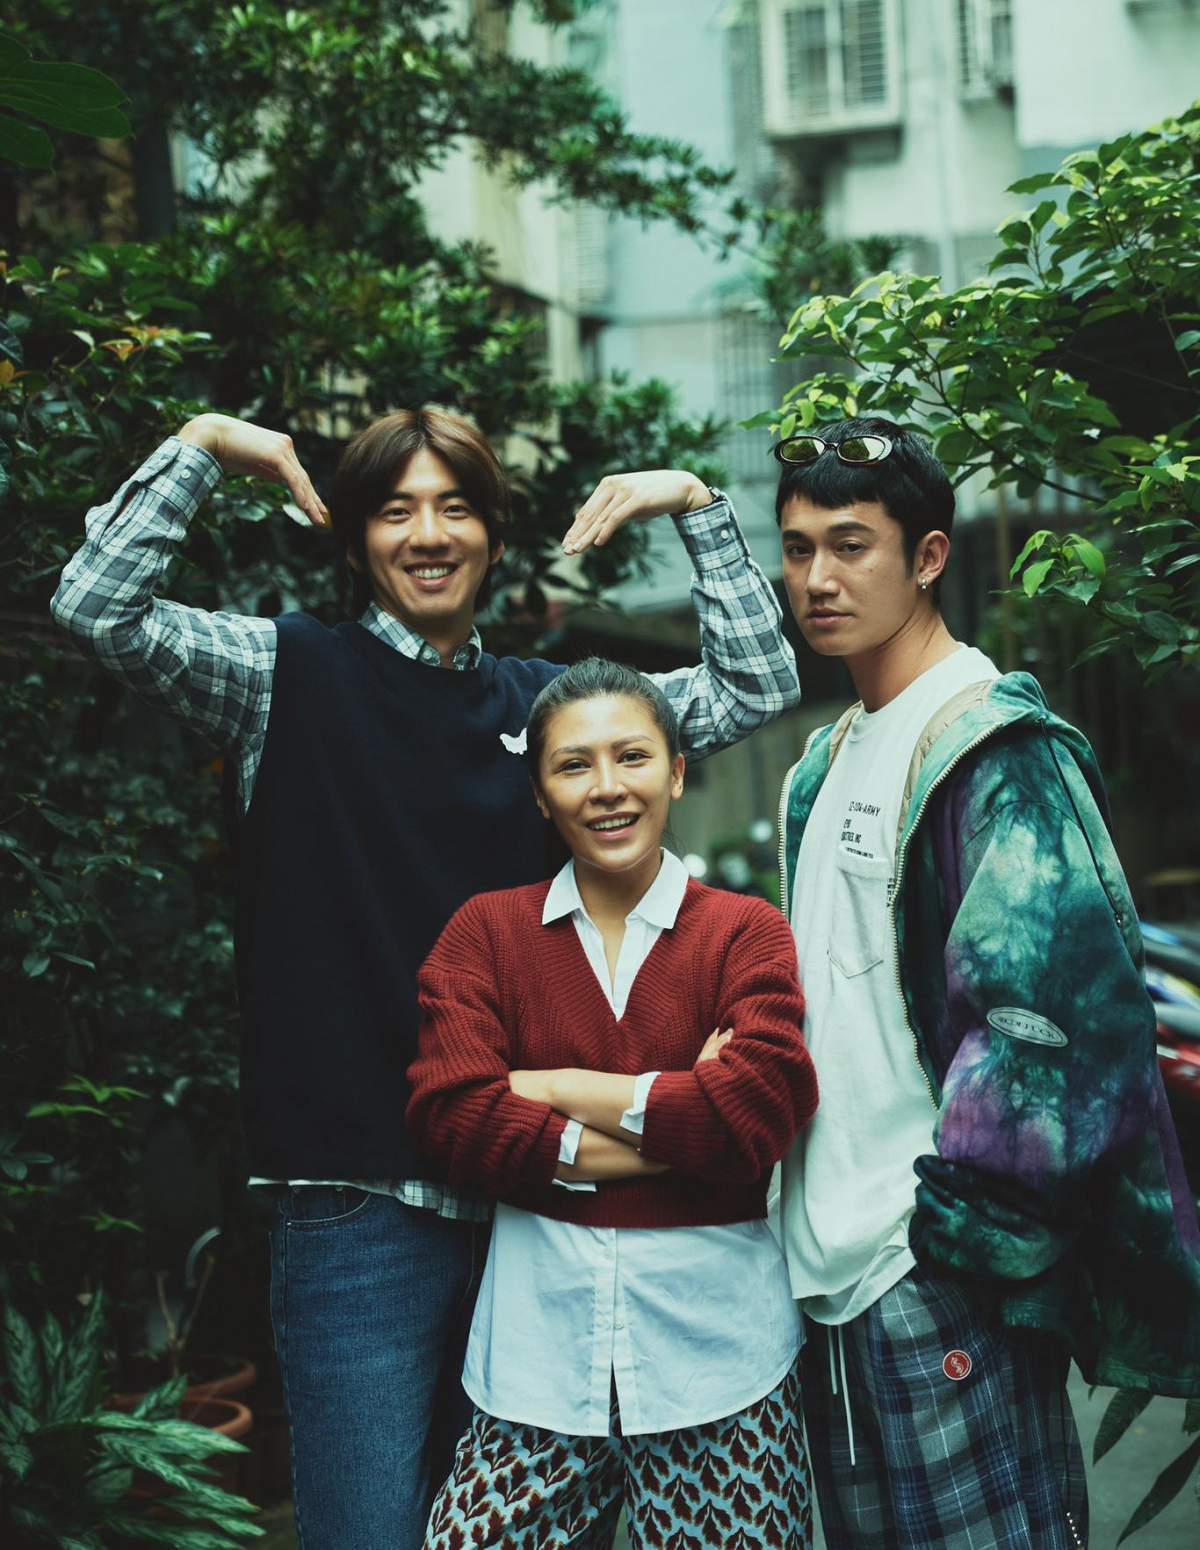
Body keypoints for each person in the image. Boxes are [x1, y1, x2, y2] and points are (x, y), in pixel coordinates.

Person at [50, 407, 802, 1550]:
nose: (428, 533)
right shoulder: (280, 672)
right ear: (356, 541)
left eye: (455, 506)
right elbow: (96, 605)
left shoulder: (550, 715)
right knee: (366, 1530)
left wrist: (697, 507)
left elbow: (755, 684)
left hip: (535, 1203)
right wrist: (202, 443)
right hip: (358, 1204)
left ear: (494, 535)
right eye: (395, 510)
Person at [771, 415, 1200, 1550]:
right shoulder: (825, 760)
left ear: (928, 556)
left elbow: (1054, 1033)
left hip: (933, 1270)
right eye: (799, 547)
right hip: (827, 1280)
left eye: (851, 545)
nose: (818, 578)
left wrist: (954, 1245)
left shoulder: (991, 744)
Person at [406, 657, 819, 1550]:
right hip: (534, 1367)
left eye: (631, 756)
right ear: (539, 792)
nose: (607, 787)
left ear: (676, 770)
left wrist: (551, 1086)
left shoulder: (745, 931)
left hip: (722, 1364)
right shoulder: (485, 934)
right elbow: (453, 1118)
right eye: (573, 764)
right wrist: (689, 1124)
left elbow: (761, 1110)